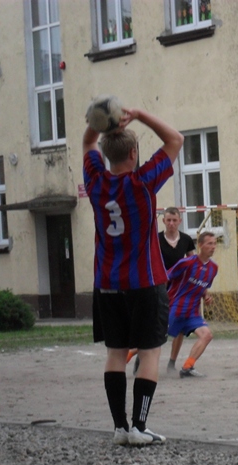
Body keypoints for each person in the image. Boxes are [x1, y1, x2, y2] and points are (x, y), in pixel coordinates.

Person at [83, 106, 184, 446]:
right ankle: (140, 426)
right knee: (150, 352)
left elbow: (87, 144)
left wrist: (98, 123)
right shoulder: (142, 183)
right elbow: (175, 139)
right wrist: (138, 114)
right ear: (133, 153)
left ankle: (120, 427)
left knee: (115, 353)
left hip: (107, 284)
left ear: (106, 154)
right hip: (145, 282)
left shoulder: (95, 182)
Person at [126, 206, 195, 373]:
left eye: (174, 220)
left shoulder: (186, 240)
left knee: (179, 324)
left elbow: (192, 263)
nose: (171, 223)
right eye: (168, 220)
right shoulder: (155, 240)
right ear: (163, 221)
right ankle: (140, 357)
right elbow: (147, 261)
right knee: (153, 325)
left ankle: (172, 363)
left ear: (180, 221)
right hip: (158, 287)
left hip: (179, 290)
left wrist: (194, 285)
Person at [166, 231, 219, 378]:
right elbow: (165, 277)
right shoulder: (187, 262)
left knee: (207, 335)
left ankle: (187, 367)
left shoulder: (213, 268)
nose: (213, 247)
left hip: (193, 312)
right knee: (156, 338)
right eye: (209, 243)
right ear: (200, 245)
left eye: (215, 244)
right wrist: (160, 300)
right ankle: (129, 355)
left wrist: (206, 296)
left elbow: (203, 288)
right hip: (176, 308)